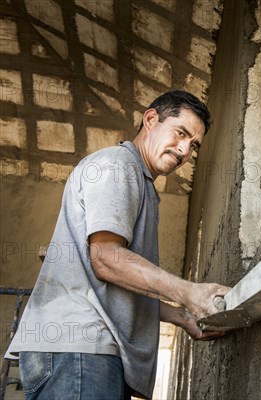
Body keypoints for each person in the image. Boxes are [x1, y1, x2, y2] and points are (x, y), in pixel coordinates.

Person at [5, 90, 230, 399]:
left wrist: (183, 317)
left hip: (86, 350)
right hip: (80, 346)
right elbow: (107, 259)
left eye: (194, 145)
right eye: (181, 133)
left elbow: (117, 283)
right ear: (151, 119)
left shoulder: (141, 183)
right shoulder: (118, 165)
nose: (184, 150)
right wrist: (190, 292)